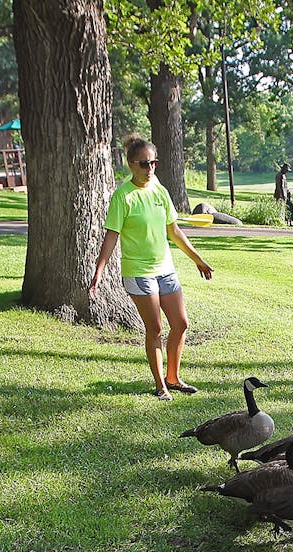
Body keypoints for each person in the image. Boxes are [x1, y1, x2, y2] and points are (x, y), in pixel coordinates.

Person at [89, 134, 213, 401]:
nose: (150, 169)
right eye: (144, 164)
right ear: (131, 164)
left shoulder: (159, 191)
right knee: (155, 328)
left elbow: (174, 230)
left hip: (165, 269)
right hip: (138, 272)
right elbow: (111, 235)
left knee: (180, 324)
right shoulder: (123, 196)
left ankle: (174, 377)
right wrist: (99, 271)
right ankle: (160, 385)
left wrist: (198, 259)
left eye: (153, 163)